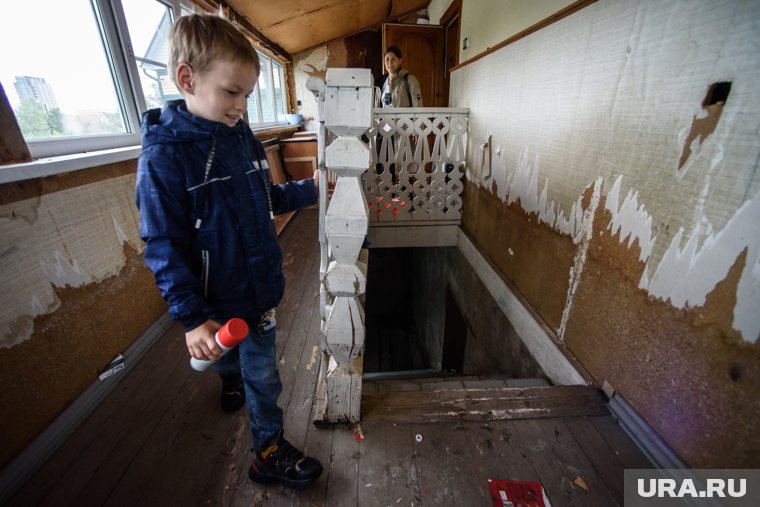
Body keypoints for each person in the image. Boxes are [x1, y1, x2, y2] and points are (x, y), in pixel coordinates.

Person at [135, 14, 322, 490]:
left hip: (258, 289)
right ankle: (227, 371)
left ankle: (267, 451)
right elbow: (163, 246)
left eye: (247, 95)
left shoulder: (239, 136)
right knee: (229, 358)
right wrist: (192, 318)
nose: (241, 106)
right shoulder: (164, 159)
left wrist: (312, 189)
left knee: (264, 375)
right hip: (213, 298)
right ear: (186, 79)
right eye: (231, 92)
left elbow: (268, 199)